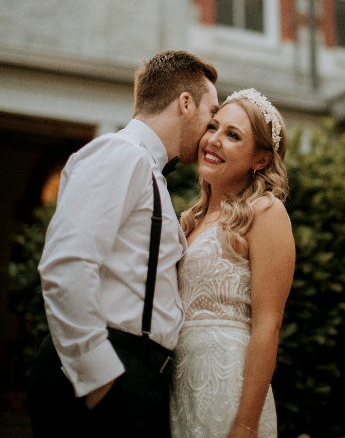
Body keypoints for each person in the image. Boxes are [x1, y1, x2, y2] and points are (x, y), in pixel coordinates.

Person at [27, 50, 219, 438]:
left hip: (135, 379)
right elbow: (66, 263)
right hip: (109, 378)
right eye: (211, 114)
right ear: (185, 103)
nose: (212, 129)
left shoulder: (148, 170)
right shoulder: (120, 154)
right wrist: (100, 381)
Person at [170, 88, 296, 438]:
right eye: (213, 127)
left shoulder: (266, 213)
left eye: (233, 135)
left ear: (261, 160)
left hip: (230, 389)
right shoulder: (187, 222)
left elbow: (267, 325)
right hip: (179, 385)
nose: (213, 140)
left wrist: (245, 424)